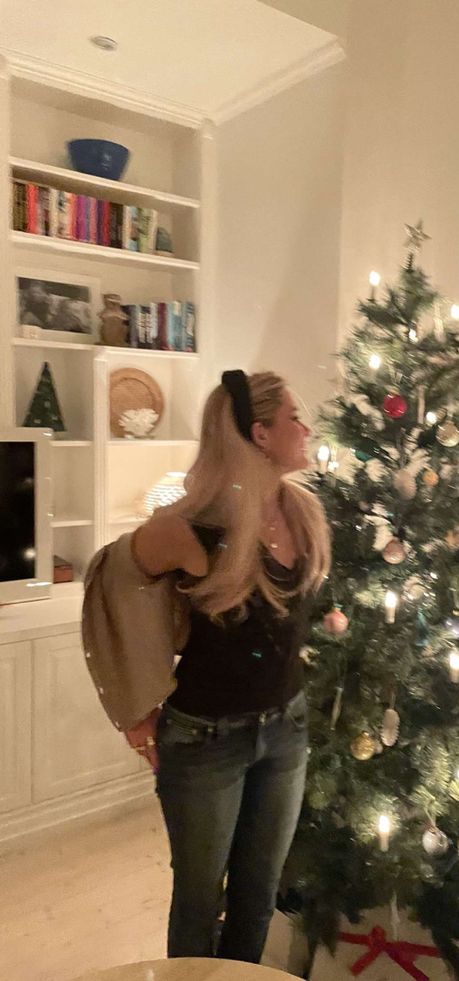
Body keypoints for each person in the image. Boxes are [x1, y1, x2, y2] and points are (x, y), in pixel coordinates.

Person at [84, 370, 330, 963]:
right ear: (260, 434)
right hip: (204, 743)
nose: (307, 428)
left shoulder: (302, 513)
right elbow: (111, 577)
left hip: (286, 732)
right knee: (198, 901)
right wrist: (134, 706)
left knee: (257, 896)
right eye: (295, 417)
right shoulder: (192, 529)